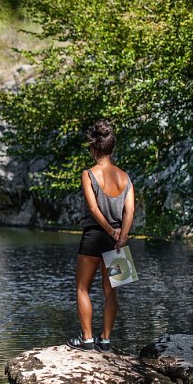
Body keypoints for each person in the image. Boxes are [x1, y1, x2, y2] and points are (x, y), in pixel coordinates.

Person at [67, 119, 135, 352]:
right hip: (118, 240)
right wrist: (122, 237)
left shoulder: (88, 174)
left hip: (95, 236)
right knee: (112, 291)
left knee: (82, 288)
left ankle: (87, 339)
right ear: (111, 148)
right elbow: (130, 211)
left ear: (93, 148)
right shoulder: (125, 177)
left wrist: (109, 231)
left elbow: (94, 209)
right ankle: (105, 340)